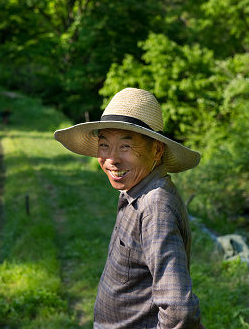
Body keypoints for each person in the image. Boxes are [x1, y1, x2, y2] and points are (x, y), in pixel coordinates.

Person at [54, 88, 204, 328]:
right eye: (104, 146)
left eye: (125, 147)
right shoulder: (136, 189)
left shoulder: (155, 206)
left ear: (157, 150)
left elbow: (178, 310)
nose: (112, 159)